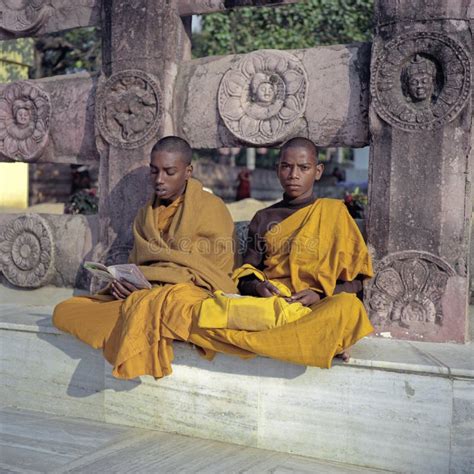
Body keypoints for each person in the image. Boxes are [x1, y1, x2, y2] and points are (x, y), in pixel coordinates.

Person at [53, 136, 237, 379]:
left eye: (169, 172)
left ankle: (139, 326)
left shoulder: (212, 208)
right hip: (146, 295)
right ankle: (139, 319)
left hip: (187, 295)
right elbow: (138, 265)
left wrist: (158, 288)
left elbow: (216, 272)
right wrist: (125, 285)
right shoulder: (145, 215)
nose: (159, 180)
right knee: (66, 311)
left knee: (169, 306)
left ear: (188, 171)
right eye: (154, 171)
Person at [187, 137, 374, 367]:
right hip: (275, 304)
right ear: (277, 170)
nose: (293, 174)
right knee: (215, 308)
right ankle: (326, 338)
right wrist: (258, 286)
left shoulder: (335, 213)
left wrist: (321, 294)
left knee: (348, 307)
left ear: (317, 171)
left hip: (315, 305)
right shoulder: (264, 218)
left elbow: (355, 282)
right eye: (286, 166)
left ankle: (302, 335)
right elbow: (246, 274)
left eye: (303, 168)